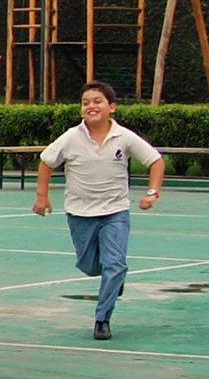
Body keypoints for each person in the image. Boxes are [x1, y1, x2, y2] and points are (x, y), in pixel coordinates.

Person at [33, 81, 164, 341]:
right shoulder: (71, 137)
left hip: (115, 211)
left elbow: (155, 161)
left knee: (114, 263)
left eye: (97, 101)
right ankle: (114, 279)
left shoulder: (123, 137)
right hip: (79, 213)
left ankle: (102, 319)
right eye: (85, 102)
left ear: (111, 107)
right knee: (90, 265)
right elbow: (47, 162)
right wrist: (42, 196)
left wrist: (152, 193)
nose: (91, 106)